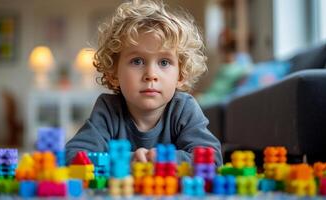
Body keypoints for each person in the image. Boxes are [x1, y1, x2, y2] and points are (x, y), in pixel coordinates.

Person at [65, 0, 222, 166]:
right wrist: (127, 160)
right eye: (137, 61)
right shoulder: (108, 109)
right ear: (113, 74)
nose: (151, 75)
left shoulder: (184, 108)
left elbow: (212, 158)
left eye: (164, 62)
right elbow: (73, 156)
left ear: (180, 75)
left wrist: (165, 159)